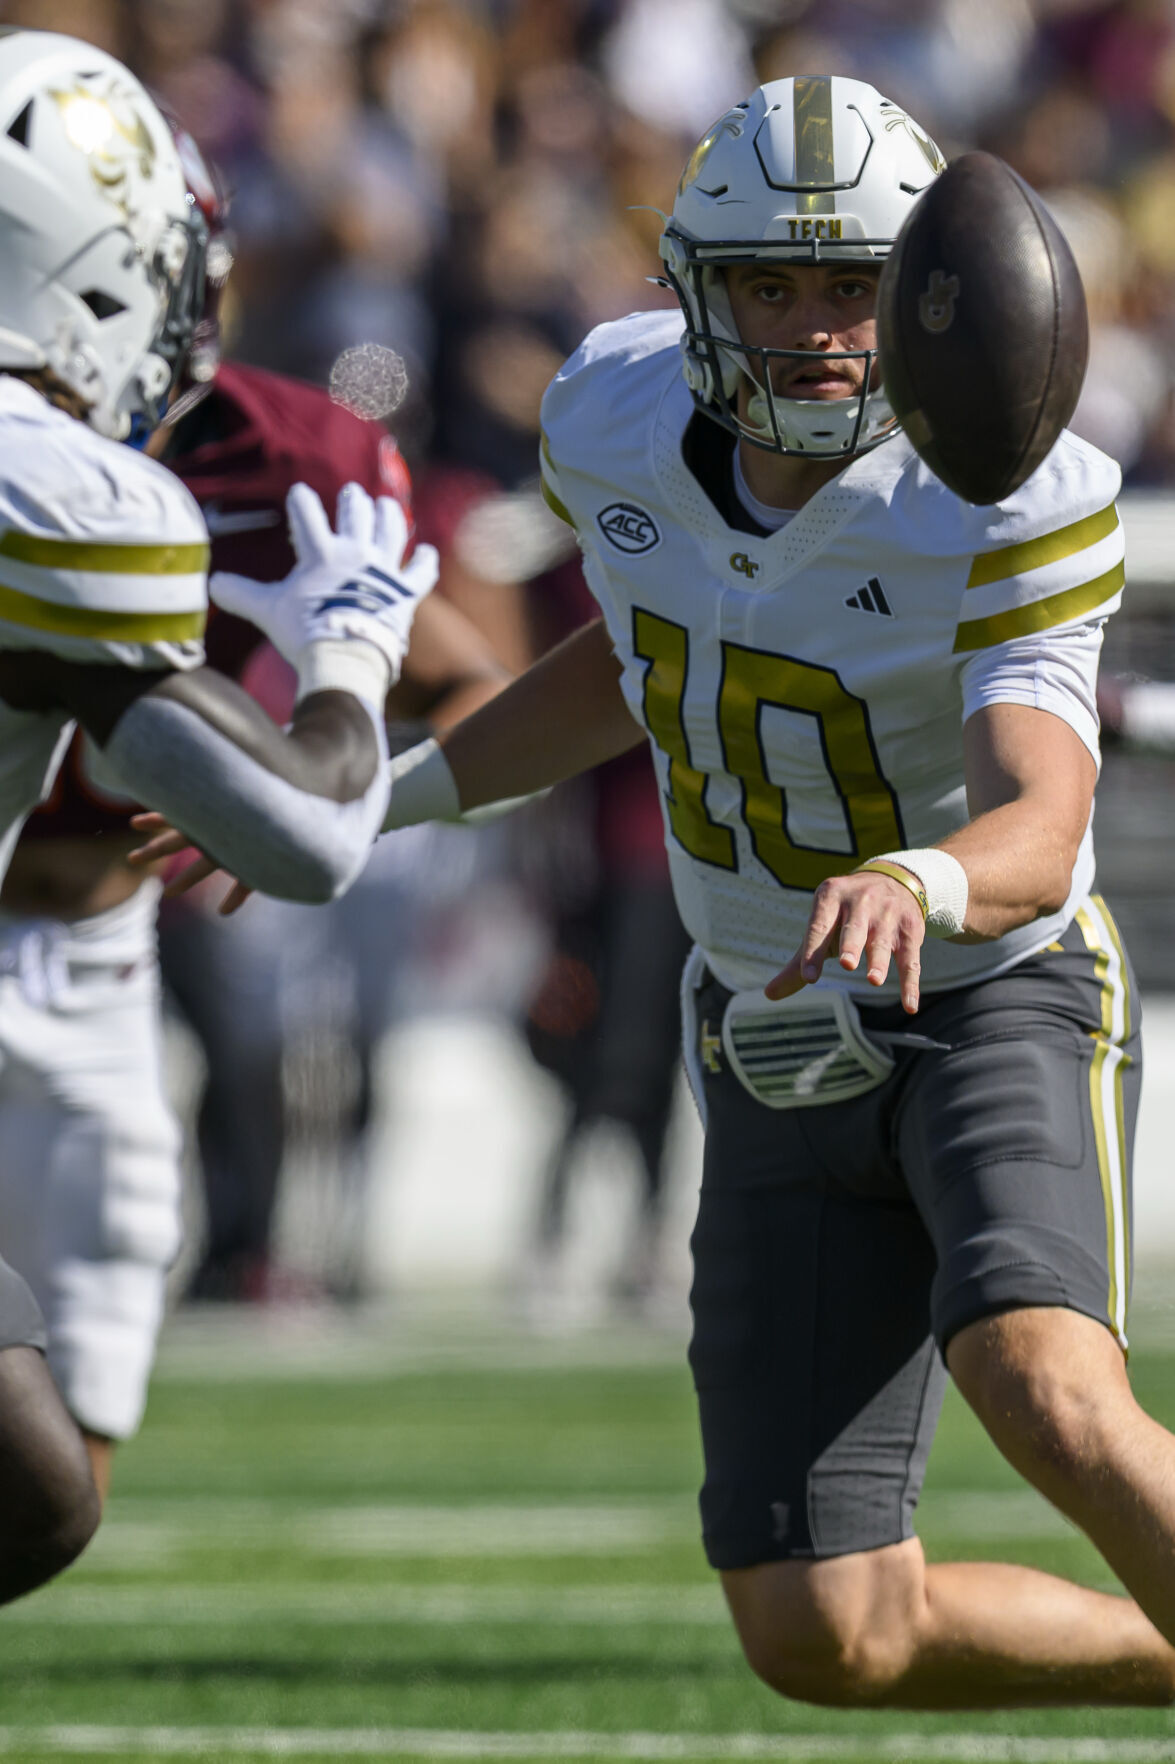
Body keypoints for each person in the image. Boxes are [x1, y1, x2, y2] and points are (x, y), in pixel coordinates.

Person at [147, 73, 1175, 1705]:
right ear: (697, 289)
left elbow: (1041, 820)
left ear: (930, 297)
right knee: (827, 1633)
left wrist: (917, 874)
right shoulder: (615, 414)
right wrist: (371, 802)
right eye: (771, 283)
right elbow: (639, 659)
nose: (817, 329)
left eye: (855, 286)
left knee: (1045, 1387)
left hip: (986, 997)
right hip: (765, 1020)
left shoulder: (998, 492)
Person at [0, 110, 513, 1482]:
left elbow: (468, 685)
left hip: (102, 941)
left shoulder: (288, 455)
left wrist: (320, 798)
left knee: (61, 1464)